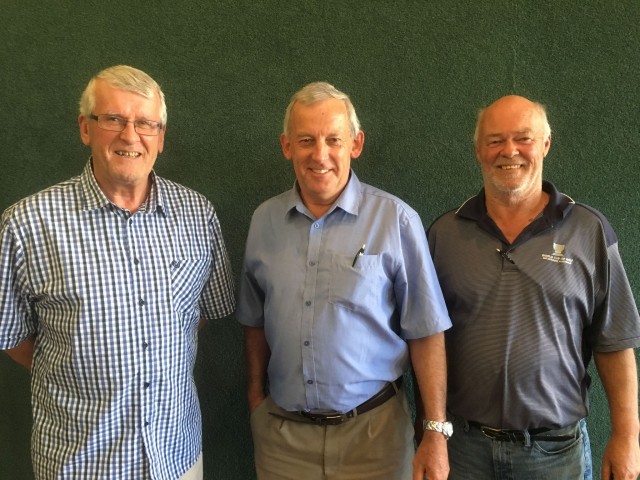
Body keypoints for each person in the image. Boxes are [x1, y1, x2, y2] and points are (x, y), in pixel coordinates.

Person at [0, 65, 236, 479]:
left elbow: (196, 316)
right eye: (113, 119)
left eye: (146, 123)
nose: (131, 136)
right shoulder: (25, 224)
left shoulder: (198, 215)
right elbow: (12, 337)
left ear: (161, 137)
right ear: (85, 128)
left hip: (176, 457)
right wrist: (78, 367)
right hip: (80, 465)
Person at [236, 81, 452, 480]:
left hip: (375, 439)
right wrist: (255, 399)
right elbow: (254, 321)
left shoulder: (396, 220)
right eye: (306, 140)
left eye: (333, 139)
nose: (320, 154)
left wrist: (435, 431)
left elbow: (427, 332)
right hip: (284, 442)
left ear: (356, 144)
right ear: (287, 146)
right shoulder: (263, 221)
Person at [427, 95, 640, 479]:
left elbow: (615, 341)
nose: (509, 151)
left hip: (555, 452)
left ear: (545, 144)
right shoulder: (445, 234)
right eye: (495, 140)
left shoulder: (588, 230)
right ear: (478, 151)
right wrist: (431, 431)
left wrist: (627, 436)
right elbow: (427, 342)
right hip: (463, 449)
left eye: (523, 138)